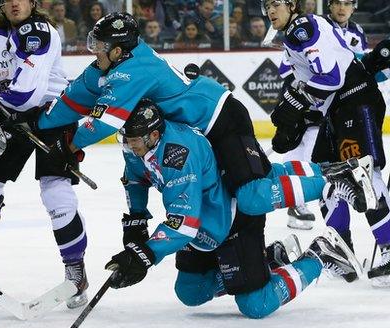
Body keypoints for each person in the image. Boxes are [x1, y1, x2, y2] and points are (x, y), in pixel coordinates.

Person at [30, 12, 377, 226]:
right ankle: (336, 171)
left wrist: (68, 144)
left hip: (222, 120)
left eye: (101, 45)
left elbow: (105, 123)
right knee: (259, 176)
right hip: (206, 126)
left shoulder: (132, 71)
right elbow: (73, 99)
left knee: (253, 194)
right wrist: (34, 123)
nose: (95, 51)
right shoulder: (109, 66)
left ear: (118, 50)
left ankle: (337, 179)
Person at [106, 99, 360, 318]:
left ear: (153, 135)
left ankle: (321, 254)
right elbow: (136, 178)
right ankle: (271, 259)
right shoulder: (137, 146)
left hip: (233, 218)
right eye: (125, 138)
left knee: (256, 304)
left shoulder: (178, 154)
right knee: (190, 292)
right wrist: (136, 220)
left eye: (133, 140)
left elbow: (184, 222)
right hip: (204, 225)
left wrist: (146, 254)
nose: (128, 145)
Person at [0, 0, 90, 309]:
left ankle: (76, 271)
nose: (14, 3)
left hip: (52, 114)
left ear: (32, 3)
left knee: (56, 194)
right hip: (12, 116)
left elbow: (27, 92)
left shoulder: (40, 32)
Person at [263, 0, 390, 286]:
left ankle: (389, 248)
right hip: (338, 110)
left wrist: (297, 102)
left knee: (363, 174)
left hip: (355, 102)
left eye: (277, 5)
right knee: (327, 177)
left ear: (292, 6)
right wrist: (295, 117)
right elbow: (317, 84)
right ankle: (341, 254)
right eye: (267, 5)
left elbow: (332, 78)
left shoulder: (302, 29)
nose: (271, 11)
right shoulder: (296, 33)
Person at [278, 0, 365, 230]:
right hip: (311, 96)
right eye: (337, 2)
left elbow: (356, 64)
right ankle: (298, 201)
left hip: (334, 100)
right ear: (329, 6)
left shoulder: (357, 33)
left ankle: (311, 194)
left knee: (323, 154)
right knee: (302, 145)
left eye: (347, 3)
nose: (341, 8)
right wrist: (301, 98)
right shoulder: (312, 26)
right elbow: (287, 68)